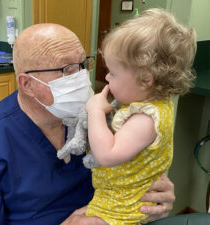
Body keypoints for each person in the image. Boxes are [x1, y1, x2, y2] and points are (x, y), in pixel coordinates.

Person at [0, 23, 175, 225]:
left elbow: (133, 172)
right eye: (66, 69)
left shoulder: (101, 118)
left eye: (82, 64)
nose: (81, 77)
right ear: (27, 84)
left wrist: (153, 199)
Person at [85, 9, 196, 225]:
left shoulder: (145, 119)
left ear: (146, 79)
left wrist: (95, 112)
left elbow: (107, 155)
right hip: (117, 199)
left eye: (113, 73)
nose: (106, 77)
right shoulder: (154, 103)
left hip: (121, 209)